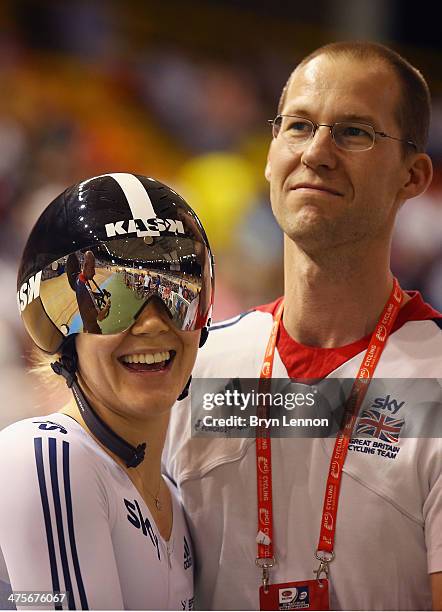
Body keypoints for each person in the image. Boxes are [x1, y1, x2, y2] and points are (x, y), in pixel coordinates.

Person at [164, 42, 442, 610]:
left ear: (412, 177)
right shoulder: (193, 368)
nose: (316, 152)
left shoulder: (435, 377)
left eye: (355, 132)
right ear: (269, 155)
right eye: (298, 125)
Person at [1, 172, 214, 610]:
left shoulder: (173, 498)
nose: (155, 323)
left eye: (176, 291)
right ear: (61, 330)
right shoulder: (45, 455)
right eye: (116, 299)